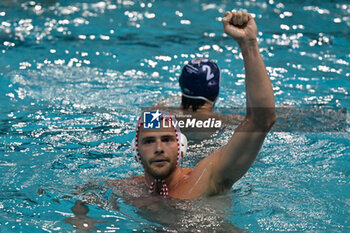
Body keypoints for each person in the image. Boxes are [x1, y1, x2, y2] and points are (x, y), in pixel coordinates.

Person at [107, 11, 276, 200]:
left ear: (181, 145)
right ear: (135, 150)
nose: (159, 148)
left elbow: (261, 120)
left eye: (167, 139)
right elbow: (81, 196)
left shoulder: (206, 179)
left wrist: (249, 45)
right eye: (148, 141)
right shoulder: (127, 189)